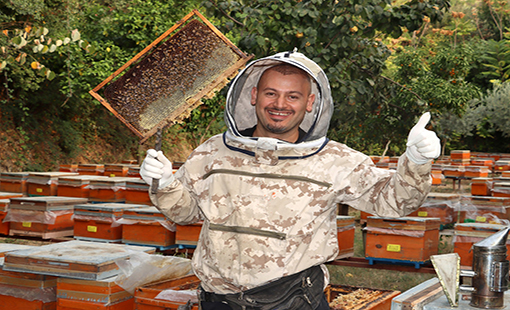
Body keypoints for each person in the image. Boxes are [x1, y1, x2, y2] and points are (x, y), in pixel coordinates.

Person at [139, 50, 441, 310]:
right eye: (271, 93)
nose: (279, 104)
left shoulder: (334, 160)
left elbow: (394, 202)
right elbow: (185, 212)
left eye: (292, 96)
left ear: (310, 103)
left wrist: (415, 162)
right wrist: (165, 184)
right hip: (218, 300)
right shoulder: (212, 151)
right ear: (254, 95)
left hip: (295, 300)